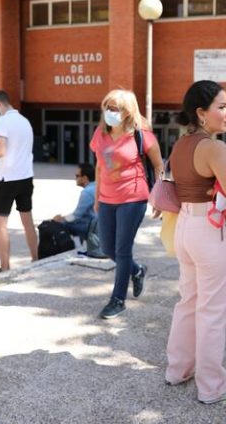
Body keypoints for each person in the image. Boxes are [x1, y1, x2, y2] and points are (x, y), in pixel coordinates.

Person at [165, 80, 226, 404]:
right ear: (201, 113)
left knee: (188, 302)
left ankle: (177, 369)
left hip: (185, 228)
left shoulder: (181, 145)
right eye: (221, 106)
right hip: (211, 230)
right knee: (213, 312)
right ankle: (211, 387)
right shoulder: (214, 148)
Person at [90, 89, 163, 320]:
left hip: (133, 197)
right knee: (108, 248)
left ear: (128, 111)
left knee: (122, 249)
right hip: (106, 198)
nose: (110, 112)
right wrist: (96, 197)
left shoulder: (141, 136)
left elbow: (159, 167)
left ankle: (117, 300)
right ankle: (137, 270)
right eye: (107, 107)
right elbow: (100, 166)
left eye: (115, 108)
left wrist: (159, 197)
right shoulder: (100, 133)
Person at [0, 90, 38, 273]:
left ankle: (5, 267)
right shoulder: (24, 121)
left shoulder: (3, 121)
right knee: (27, 220)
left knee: (0, 224)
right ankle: (36, 259)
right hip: (26, 177)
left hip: (7, 178)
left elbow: (1, 151)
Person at [52, 162, 104, 259]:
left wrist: (60, 219)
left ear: (85, 178)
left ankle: (76, 248)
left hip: (95, 228)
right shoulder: (98, 186)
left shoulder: (87, 192)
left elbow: (76, 216)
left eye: (77, 176)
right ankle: (79, 247)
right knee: (75, 221)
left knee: (64, 224)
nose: (75, 178)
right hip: (102, 225)